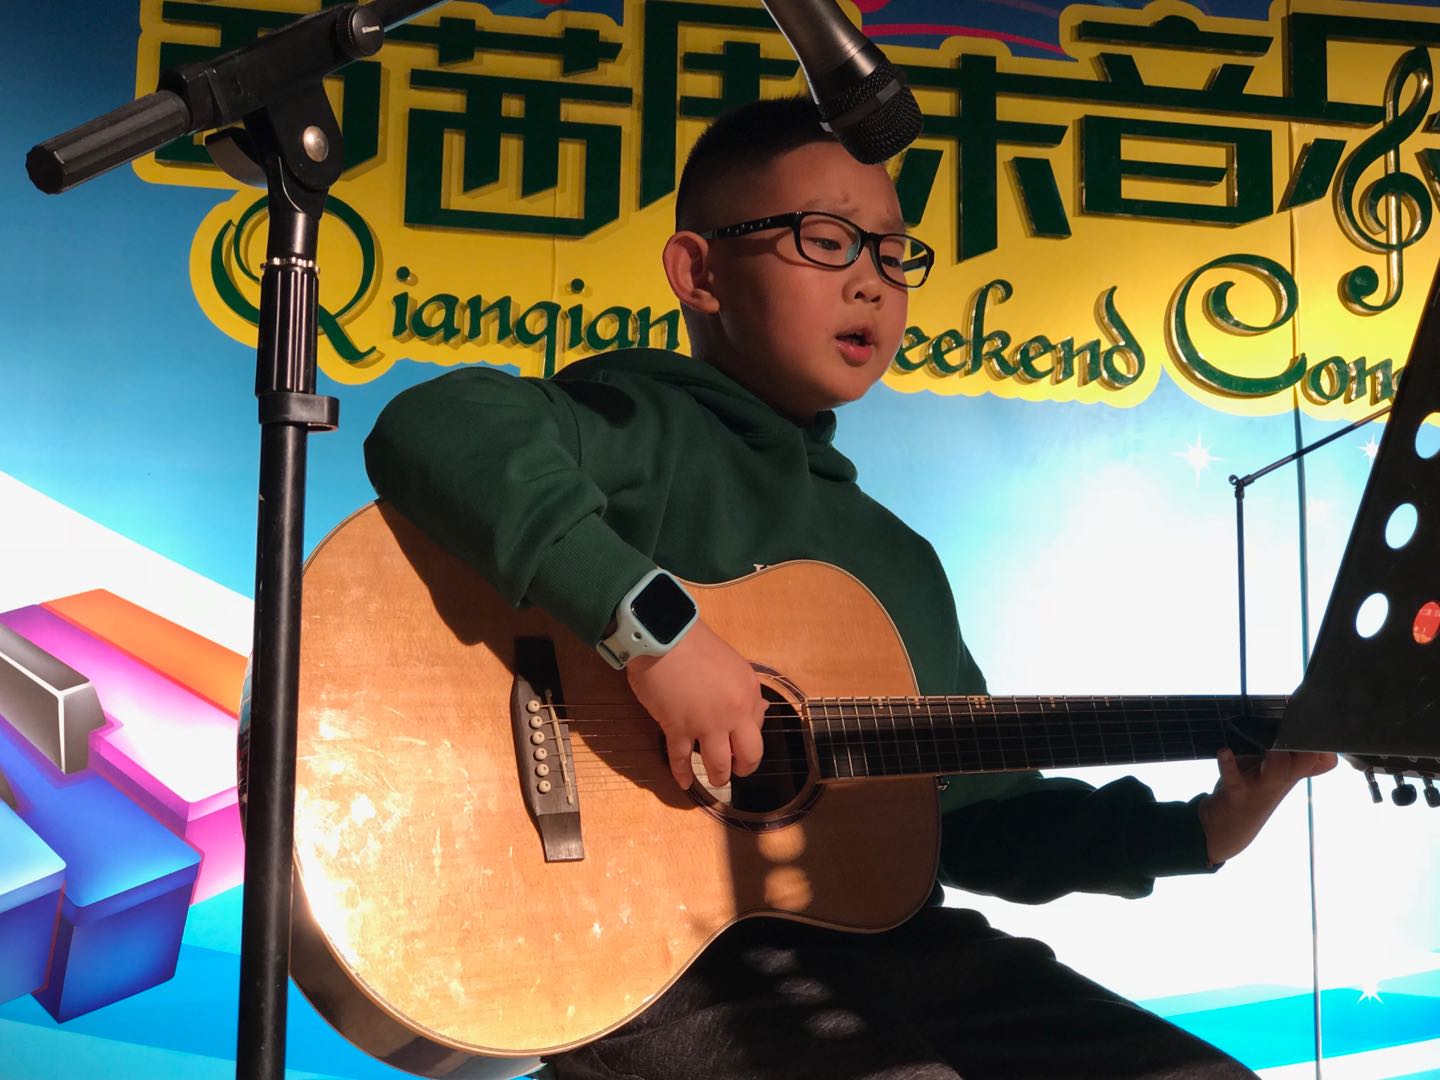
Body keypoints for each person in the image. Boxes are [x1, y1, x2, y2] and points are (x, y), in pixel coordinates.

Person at [363, 95, 1336, 1079]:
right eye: (825, 241)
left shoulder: (898, 561)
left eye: (893, 253)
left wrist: (1204, 828)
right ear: (699, 272)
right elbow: (440, 426)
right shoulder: (640, 425)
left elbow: (977, 817)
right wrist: (655, 635)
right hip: (654, 950)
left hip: (895, 954)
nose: (871, 280)